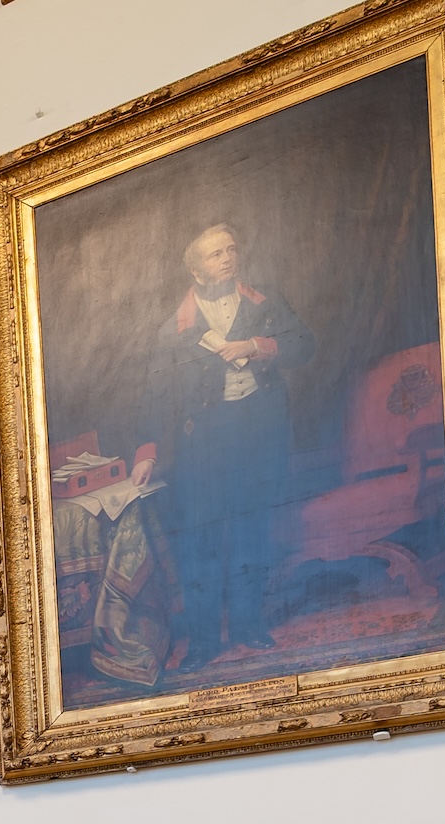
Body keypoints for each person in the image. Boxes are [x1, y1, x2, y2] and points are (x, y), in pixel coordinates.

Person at [135, 223, 316, 662]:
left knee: (252, 529)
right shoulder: (172, 329)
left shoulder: (264, 302)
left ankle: (249, 625)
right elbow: (157, 394)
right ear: (196, 272)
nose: (228, 258)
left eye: (231, 249)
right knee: (202, 541)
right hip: (204, 444)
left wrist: (255, 345)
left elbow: (304, 345)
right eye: (216, 254)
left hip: (258, 430)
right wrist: (148, 453)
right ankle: (202, 641)